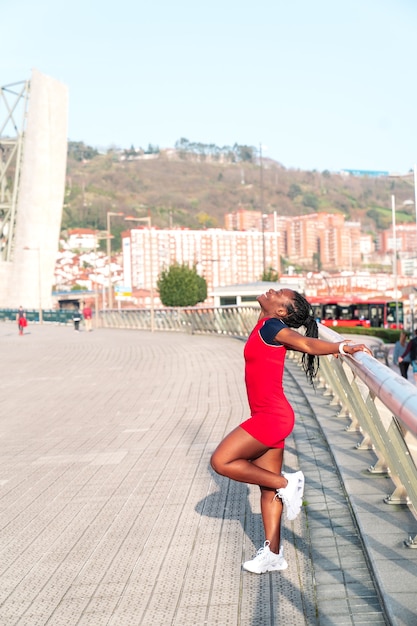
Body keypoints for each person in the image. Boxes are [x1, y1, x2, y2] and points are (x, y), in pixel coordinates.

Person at [210, 288, 372, 574]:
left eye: (279, 293)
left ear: (281, 311)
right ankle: (273, 554)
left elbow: (306, 344)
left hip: (272, 417)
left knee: (221, 462)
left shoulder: (274, 327)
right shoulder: (266, 325)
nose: (271, 290)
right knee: (267, 486)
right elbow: (302, 343)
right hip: (268, 415)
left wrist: (342, 347)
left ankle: (288, 483)